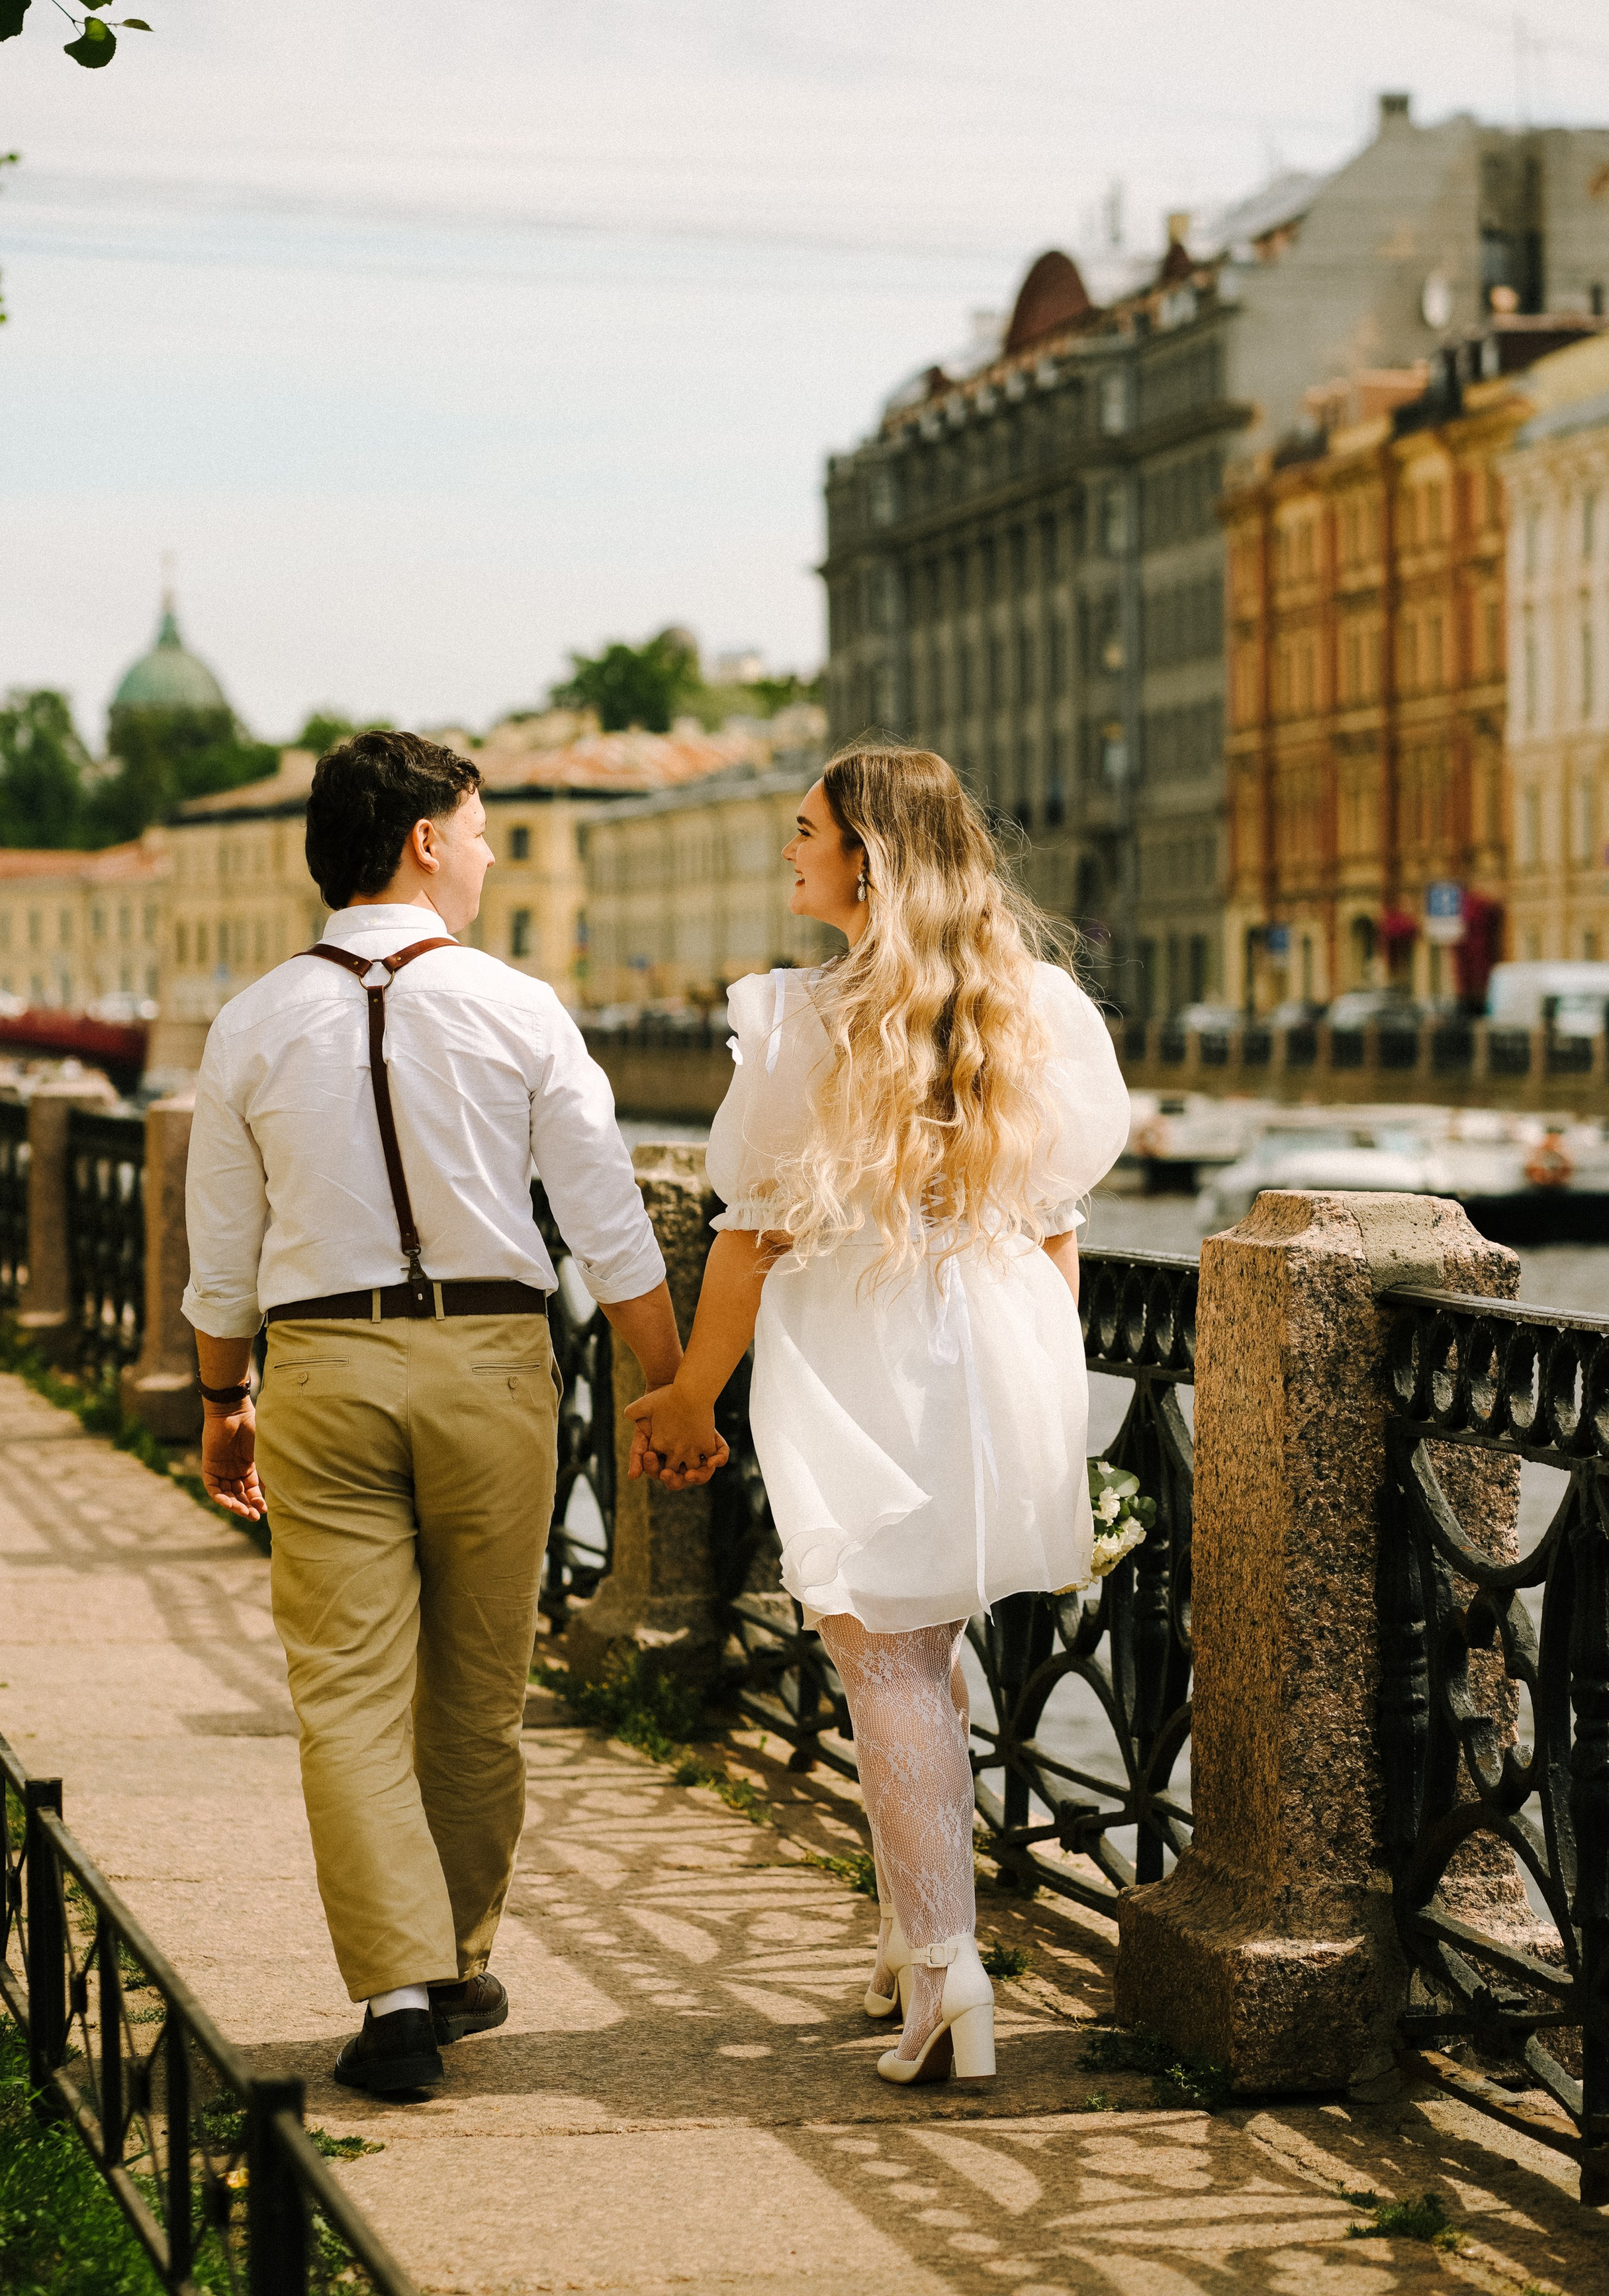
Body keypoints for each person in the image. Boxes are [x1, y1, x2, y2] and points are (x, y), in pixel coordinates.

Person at [185, 729, 704, 2099]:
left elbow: (221, 1255)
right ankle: (458, 1957)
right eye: (477, 830)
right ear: (424, 838)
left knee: (346, 1699)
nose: (484, 853)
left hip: (318, 1372)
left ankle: (398, 1992)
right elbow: (606, 1219)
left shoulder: (249, 1021)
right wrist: (664, 1387)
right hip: (486, 1365)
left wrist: (218, 1402)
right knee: (475, 1702)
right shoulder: (518, 1005)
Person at [626, 743, 1129, 2086]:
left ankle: (945, 1971)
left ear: (867, 857)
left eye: (805, 831)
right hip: (1003, 1333)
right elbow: (1058, 1229)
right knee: (923, 1648)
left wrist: (689, 1393)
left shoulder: (799, 1018)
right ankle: (911, 1926)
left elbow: (747, 1235)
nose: (788, 851)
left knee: (883, 1660)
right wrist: (1046, 1395)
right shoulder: (1036, 1008)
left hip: (863, 1345)